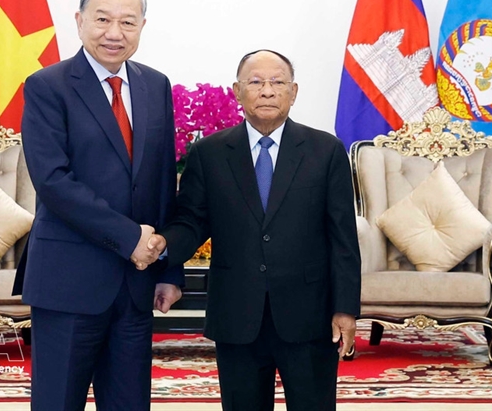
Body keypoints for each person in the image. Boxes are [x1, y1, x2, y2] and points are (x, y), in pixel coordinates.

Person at [153, 49, 361, 411]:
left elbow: (343, 238)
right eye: (255, 82)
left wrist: (345, 308)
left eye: (277, 82)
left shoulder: (325, 150)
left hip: (309, 315)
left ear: (293, 92)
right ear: (237, 91)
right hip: (237, 314)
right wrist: (161, 246)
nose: (267, 91)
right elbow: (191, 222)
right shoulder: (209, 153)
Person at [13, 0, 183, 411]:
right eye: (103, 19)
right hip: (68, 279)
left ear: (142, 26)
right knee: (58, 402)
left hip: (136, 283)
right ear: (80, 21)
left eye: (128, 22)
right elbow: (53, 182)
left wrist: (169, 270)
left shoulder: (155, 85)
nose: (114, 33)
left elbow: (163, 179)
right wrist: (130, 239)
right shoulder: (46, 86)